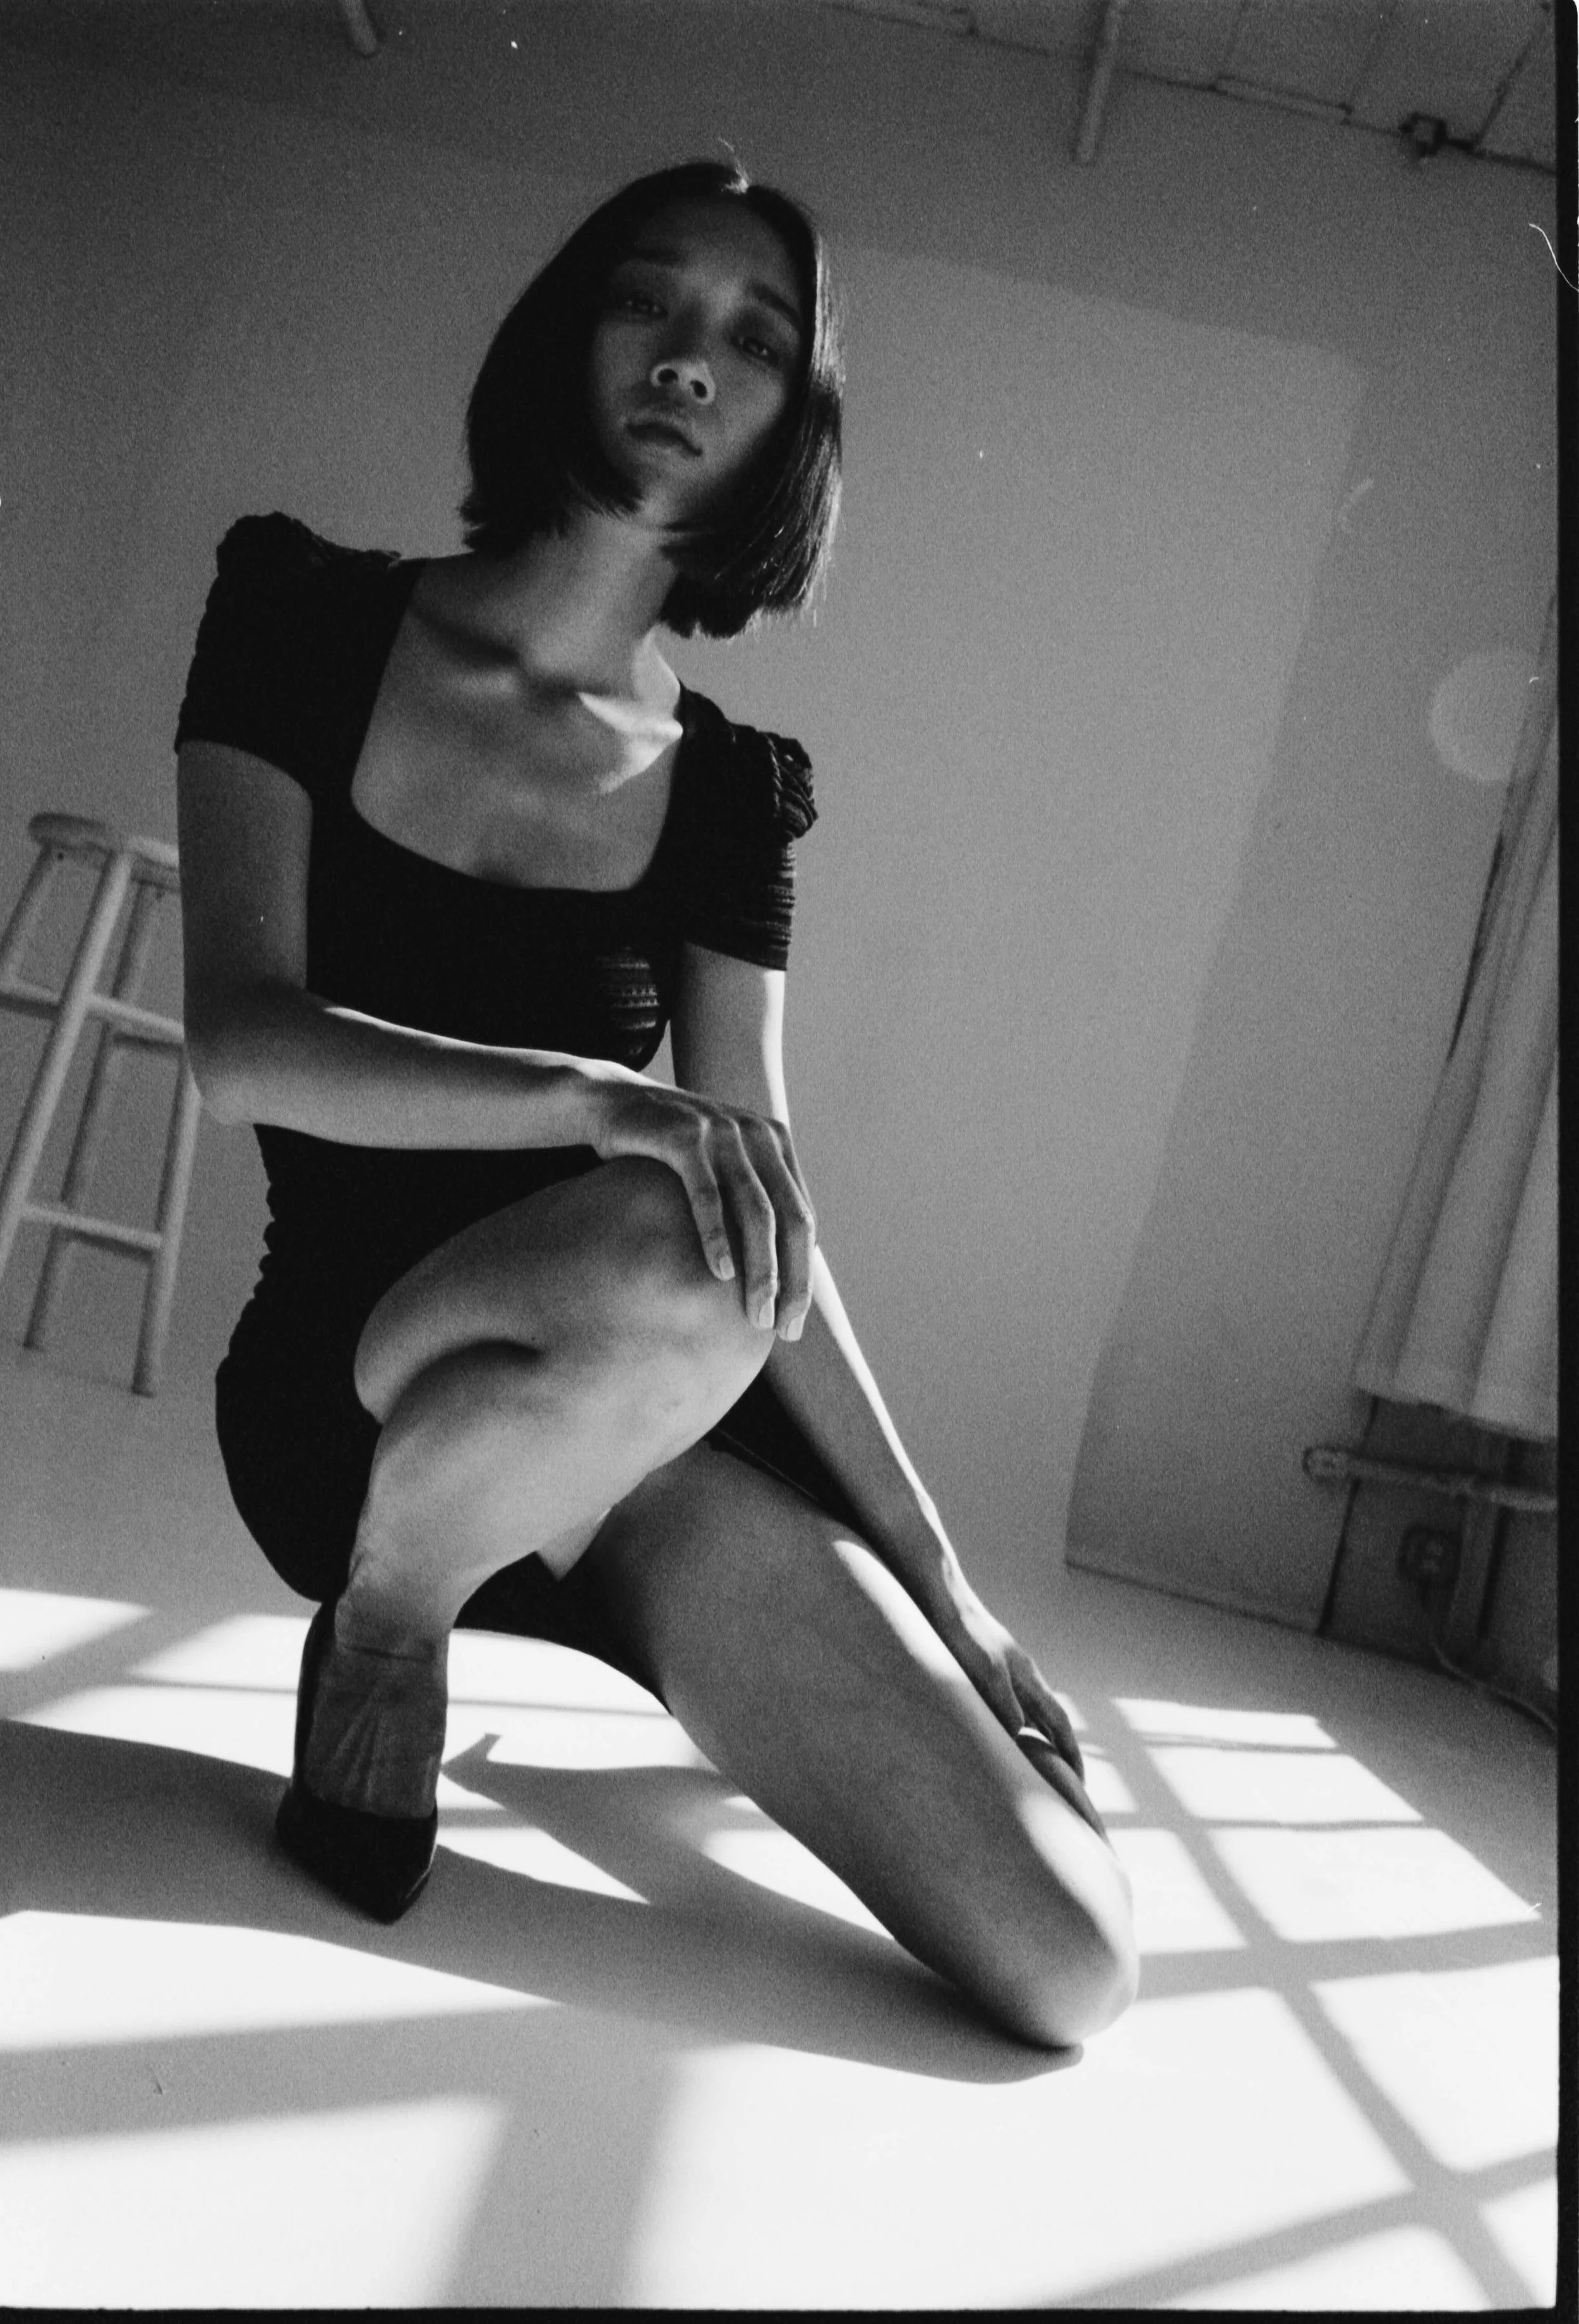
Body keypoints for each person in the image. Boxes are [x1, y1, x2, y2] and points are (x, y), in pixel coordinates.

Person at [174, 159, 1138, 2048]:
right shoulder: (300, 613)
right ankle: (391, 1621)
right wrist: (604, 1104)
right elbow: (242, 1041)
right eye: (651, 302)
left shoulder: (729, 791)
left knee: (1068, 1958)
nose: (692, 360)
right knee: (684, 1220)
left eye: (755, 341)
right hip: (351, 1396)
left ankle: (557, 1634)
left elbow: (774, 1224)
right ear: (566, 334)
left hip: (644, 1428)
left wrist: (946, 1583)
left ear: (792, 427)